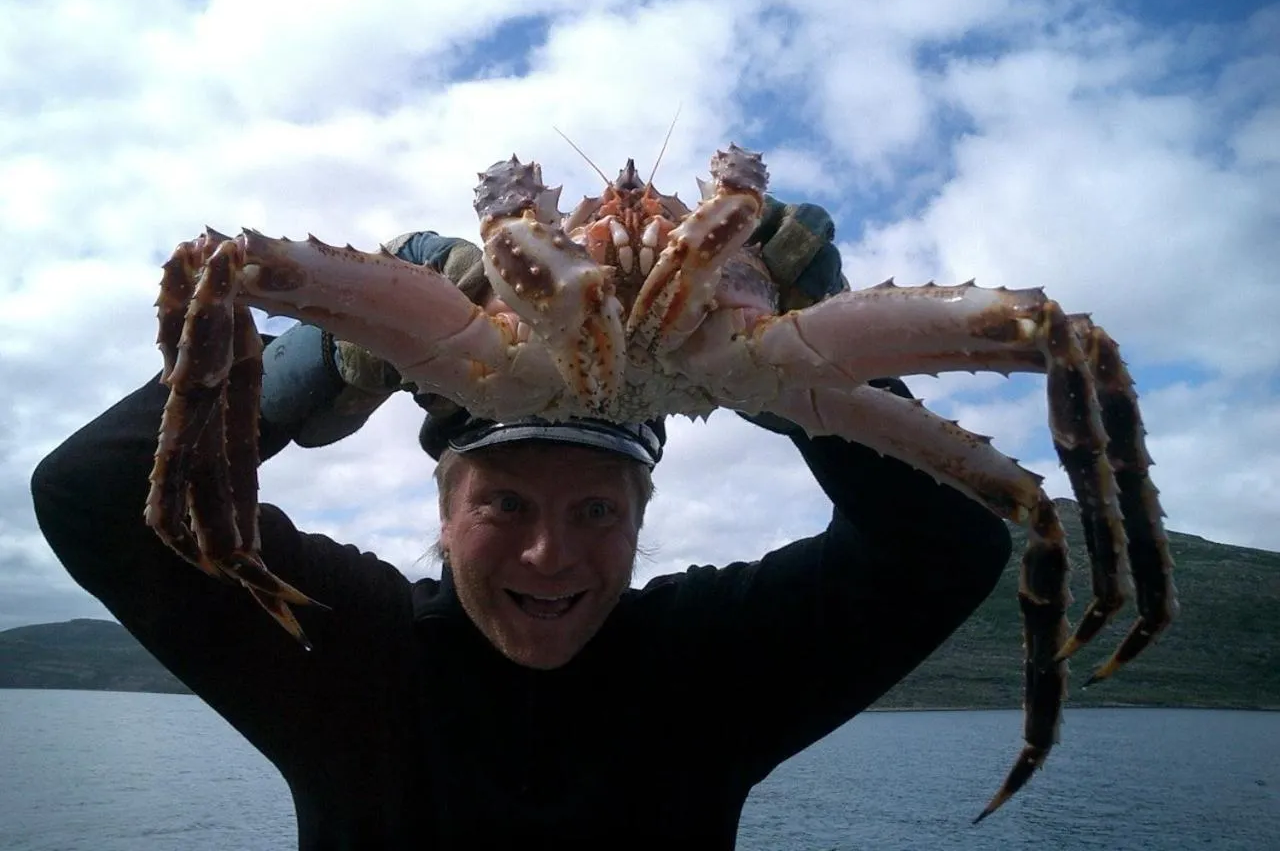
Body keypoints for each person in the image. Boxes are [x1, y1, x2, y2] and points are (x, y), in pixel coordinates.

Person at [31, 199, 1012, 849]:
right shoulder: (349, 654)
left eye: (594, 509)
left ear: (638, 521)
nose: (549, 553)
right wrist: (322, 358)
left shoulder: (711, 666)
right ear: (446, 514)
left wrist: (799, 361)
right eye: (503, 503)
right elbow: (95, 498)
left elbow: (949, 544)